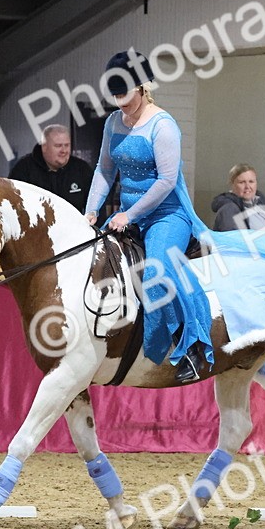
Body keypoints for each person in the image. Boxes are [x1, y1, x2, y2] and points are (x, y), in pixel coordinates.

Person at [84, 50, 212, 383]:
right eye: (115, 96)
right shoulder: (113, 122)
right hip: (127, 215)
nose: (121, 102)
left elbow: (167, 181)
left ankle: (190, 346)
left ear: (142, 87)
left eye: (125, 94)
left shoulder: (163, 125)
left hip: (166, 215)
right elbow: (104, 169)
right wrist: (91, 209)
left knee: (156, 271)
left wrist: (129, 214)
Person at [9, 124, 92, 214]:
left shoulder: (81, 169)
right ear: (44, 147)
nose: (64, 151)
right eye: (58, 145)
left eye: (67, 145)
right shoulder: (23, 169)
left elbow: (95, 207)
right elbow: (11, 206)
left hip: (73, 223)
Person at [211, 163, 265, 232]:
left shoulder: (261, 203)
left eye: (251, 181)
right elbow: (232, 238)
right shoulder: (228, 209)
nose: (247, 186)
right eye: (242, 182)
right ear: (232, 184)